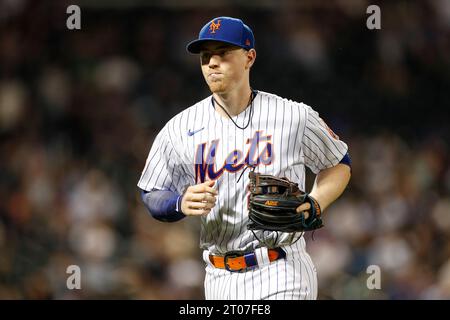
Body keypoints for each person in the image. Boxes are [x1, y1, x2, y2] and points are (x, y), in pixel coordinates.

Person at [137, 16, 351, 300]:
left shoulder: (293, 116)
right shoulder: (179, 128)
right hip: (219, 276)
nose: (212, 63)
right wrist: (178, 202)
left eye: (223, 53)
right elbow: (151, 192)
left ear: (249, 57)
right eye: (205, 56)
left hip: (282, 268)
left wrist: (315, 202)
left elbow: (338, 162)